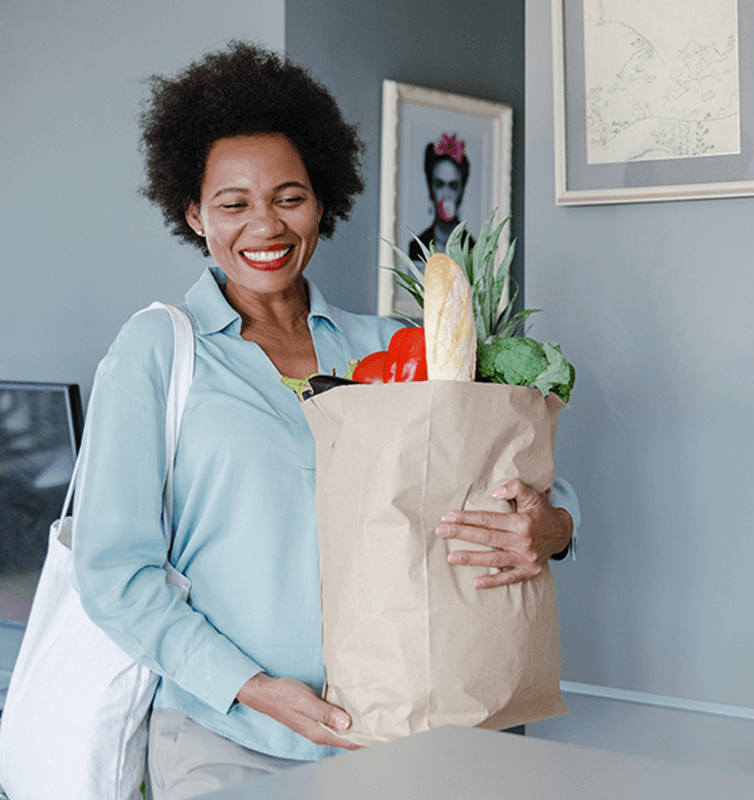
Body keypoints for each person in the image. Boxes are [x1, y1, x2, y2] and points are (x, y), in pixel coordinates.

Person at [70, 42, 576, 800]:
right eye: (232, 203)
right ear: (192, 212)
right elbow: (114, 572)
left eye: (289, 196)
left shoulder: (390, 346)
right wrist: (250, 687)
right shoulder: (158, 351)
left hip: (405, 728)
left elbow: (525, 483)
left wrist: (554, 525)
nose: (264, 226)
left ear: (324, 202)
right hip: (229, 738)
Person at [408, 133, 475, 263]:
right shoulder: (416, 248)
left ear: (461, 192)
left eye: (453, 186)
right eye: (439, 184)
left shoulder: (474, 250)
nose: (446, 194)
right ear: (430, 189)